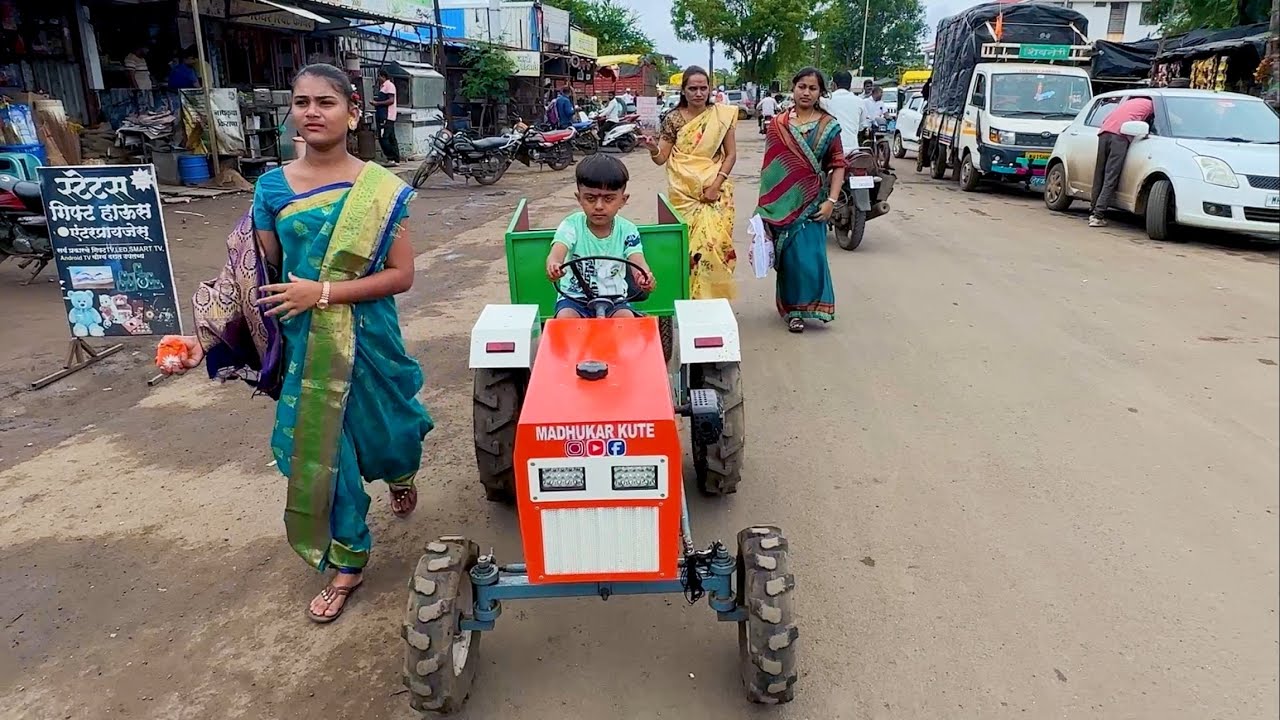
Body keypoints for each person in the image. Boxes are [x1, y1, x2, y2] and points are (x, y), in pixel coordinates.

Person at [157, 63, 433, 623]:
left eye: (326, 102)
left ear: (353, 111)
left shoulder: (380, 190)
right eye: (302, 102)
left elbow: (402, 275)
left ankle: (402, 472)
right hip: (306, 347)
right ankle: (348, 559)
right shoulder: (272, 187)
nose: (312, 111)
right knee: (320, 455)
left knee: (393, 431)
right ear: (292, 114)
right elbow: (254, 275)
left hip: (370, 337)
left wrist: (324, 291)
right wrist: (203, 337)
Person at [757, 68, 846, 334]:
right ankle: (793, 311)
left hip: (814, 204)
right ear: (793, 88)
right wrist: (767, 203)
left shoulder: (828, 125)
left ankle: (816, 305)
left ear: (821, 92)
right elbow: (771, 167)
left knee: (812, 258)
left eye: (813, 88)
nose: (806, 92)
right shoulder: (778, 124)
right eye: (802, 87)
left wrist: (831, 200)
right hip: (784, 204)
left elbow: (838, 165)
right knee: (791, 260)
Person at [641, 65, 739, 300]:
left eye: (703, 88)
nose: (698, 93)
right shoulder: (673, 119)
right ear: (683, 91)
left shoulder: (721, 116)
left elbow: (731, 155)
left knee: (714, 244)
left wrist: (716, 185)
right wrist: (653, 148)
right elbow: (661, 158)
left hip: (715, 190)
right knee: (690, 250)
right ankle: (694, 299)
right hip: (684, 195)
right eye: (692, 88)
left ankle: (714, 299)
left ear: (709, 90)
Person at [546, 154, 654, 318]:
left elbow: (638, 261)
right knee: (565, 319)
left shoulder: (628, 230)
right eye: (590, 198)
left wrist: (644, 277)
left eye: (608, 199)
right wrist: (554, 265)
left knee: (626, 320)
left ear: (623, 200)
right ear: (579, 198)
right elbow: (556, 254)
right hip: (574, 300)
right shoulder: (571, 225)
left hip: (615, 301)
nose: (598, 206)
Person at [1090, 94, 1153, 228]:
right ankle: (1098, 215)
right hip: (1119, 136)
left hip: (1104, 132)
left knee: (1099, 174)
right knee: (1111, 176)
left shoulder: (1129, 101)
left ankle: (1093, 210)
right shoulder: (1153, 105)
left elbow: (1107, 119)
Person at [825, 70, 868, 153]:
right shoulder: (860, 101)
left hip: (830, 152)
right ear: (850, 84)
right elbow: (862, 127)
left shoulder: (826, 101)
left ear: (833, 84)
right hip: (853, 151)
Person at [371, 68, 401, 166]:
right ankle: (396, 159)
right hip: (384, 115)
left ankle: (391, 157)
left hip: (386, 116)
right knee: (391, 137)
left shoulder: (389, 86)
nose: (378, 78)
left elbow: (391, 100)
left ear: (383, 76)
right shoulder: (383, 86)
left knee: (384, 137)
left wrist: (377, 103)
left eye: (379, 76)